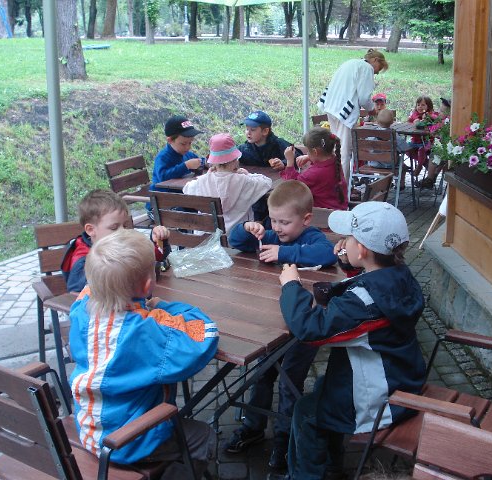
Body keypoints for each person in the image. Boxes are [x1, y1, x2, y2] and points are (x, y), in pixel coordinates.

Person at [273, 202, 426, 480]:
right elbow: (367, 285)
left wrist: (291, 286)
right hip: (402, 377)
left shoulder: (366, 303)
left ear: (363, 249)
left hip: (383, 399)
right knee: (323, 387)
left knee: (306, 412)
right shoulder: (400, 277)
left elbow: (311, 330)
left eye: (349, 238)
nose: (342, 242)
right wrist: (348, 263)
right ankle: (332, 466)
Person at [69, 229, 219, 478]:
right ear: (148, 285)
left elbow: (89, 291)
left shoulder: (81, 310)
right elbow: (204, 334)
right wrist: (164, 307)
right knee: (204, 436)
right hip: (128, 442)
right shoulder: (144, 331)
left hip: (89, 427)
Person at [225, 180, 336, 474]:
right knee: (261, 374)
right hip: (271, 323)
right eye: (273, 220)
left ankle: (285, 439)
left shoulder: (312, 238)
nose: (277, 227)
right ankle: (253, 426)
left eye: (284, 222)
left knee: (289, 382)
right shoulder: (272, 234)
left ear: (306, 219)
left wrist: (284, 254)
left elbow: (327, 255)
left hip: (304, 325)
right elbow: (237, 242)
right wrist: (247, 229)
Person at [61, 189, 171, 293]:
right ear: (91, 230)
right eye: (114, 228)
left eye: (125, 225)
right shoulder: (83, 262)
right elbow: (77, 296)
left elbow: (153, 258)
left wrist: (158, 241)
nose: (122, 231)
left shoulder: (121, 243)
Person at [317, 48, 389, 181]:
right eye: (379, 68)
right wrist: (372, 109)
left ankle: (333, 181)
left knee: (337, 148)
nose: (377, 73)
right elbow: (364, 98)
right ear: (375, 60)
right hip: (344, 111)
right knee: (344, 152)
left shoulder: (350, 63)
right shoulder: (366, 68)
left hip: (331, 106)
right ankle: (342, 186)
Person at [183, 133, 273, 232]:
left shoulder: (201, 183)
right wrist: (248, 174)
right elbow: (267, 182)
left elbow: (186, 188)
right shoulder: (244, 181)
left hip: (207, 238)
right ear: (235, 160)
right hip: (236, 237)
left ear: (213, 162)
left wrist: (206, 176)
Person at [238, 111, 302, 222]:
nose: (248, 132)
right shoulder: (244, 149)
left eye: (253, 129)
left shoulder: (278, 143)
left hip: (278, 192)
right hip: (255, 190)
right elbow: (227, 159)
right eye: (247, 129)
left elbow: (298, 156)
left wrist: (284, 163)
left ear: (265, 131)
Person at [281, 127, 348, 211]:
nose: (307, 153)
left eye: (308, 151)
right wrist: (309, 157)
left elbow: (291, 187)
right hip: (339, 210)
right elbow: (322, 158)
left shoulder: (315, 173)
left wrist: (290, 161)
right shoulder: (335, 160)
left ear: (315, 152)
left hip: (322, 214)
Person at [148, 115, 205, 208]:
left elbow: (199, 161)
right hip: (161, 204)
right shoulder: (163, 157)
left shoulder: (187, 154)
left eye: (190, 143)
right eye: (183, 144)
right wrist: (186, 166)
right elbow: (163, 177)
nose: (188, 147)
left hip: (180, 199)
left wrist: (206, 163)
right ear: (170, 140)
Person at [419, 97, 451, 188]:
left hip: (445, 151)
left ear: (449, 114)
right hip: (445, 150)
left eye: (442, 111)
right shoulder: (446, 121)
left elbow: (433, 131)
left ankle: (430, 178)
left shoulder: (445, 123)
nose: (439, 112)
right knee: (438, 155)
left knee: (435, 154)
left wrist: (430, 128)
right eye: (439, 110)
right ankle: (434, 175)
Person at [407, 96, 439, 179]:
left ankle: (419, 166)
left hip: (427, 142)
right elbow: (411, 121)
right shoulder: (415, 114)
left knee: (422, 150)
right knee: (406, 149)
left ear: (429, 106)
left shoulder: (431, 114)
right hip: (415, 141)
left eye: (423, 105)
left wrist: (428, 117)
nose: (420, 107)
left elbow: (436, 119)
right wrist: (414, 121)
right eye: (418, 105)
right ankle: (425, 163)